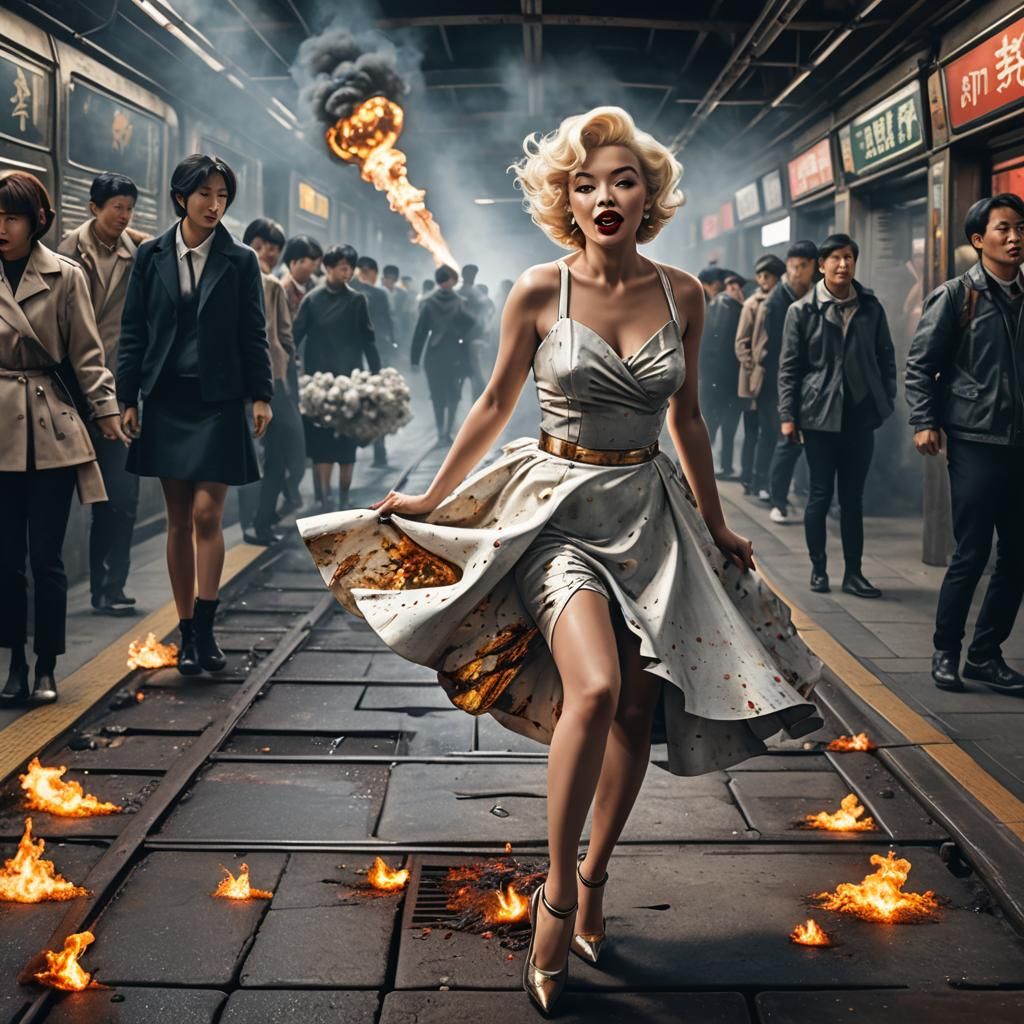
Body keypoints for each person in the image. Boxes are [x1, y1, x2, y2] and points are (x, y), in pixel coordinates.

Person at [298, 106, 820, 1014]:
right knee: (596, 688)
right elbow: (496, 401)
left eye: (622, 180)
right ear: (564, 200)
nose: (604, 195)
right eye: (585, 184)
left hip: (651, 515)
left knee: (639, 706)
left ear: (647, 195)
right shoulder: (540, 290)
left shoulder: (685, 294)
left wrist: (717, 522)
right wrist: (427, 497)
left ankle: (598, 873)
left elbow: (689, 419)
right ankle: (559, 890)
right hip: (556, 515)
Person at [118, 154, 273, 677]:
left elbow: (254, 333)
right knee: (177, 518)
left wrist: (261, 394)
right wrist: (126, 397)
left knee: (209, 515)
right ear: (182, 197)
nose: (215, 205)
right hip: (165, 398)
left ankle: (206, 627)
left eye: (223, 195)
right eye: (205, 194)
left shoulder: (241, 259)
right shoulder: (151, 254)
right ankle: (186, 633)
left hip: (220, 402)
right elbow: (133, 330)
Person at [0, 170, 128, 706]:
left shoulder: (65, 276)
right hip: (0, 426)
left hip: (49, 428)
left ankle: (47, 662)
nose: (1, 227)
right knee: (6, 559)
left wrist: (107, 413)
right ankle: (14, 663)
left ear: (37, 222)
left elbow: (88, 356)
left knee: (46, 556)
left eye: (11, 217)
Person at [906, 194, 1024, 694]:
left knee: (1018, 554)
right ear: (979, 240)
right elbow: (919, 365)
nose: (1015, 237)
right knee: (971, 552)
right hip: (975, 438)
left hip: (1020, 443)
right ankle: (946, 651)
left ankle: (985, 655)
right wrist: (924, 420)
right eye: (1003, 229)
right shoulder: (958, 295)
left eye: (1020, 228)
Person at [778, 233, 896, 598]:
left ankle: (854, 573)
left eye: (849, 258)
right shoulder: (802, 310)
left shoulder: (871, 307)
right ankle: (818, 570)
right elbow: (789, 368)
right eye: (835, 258)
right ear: (821, 265)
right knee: (818, 494)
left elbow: (886, 357)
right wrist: (788, 415)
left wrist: (885, 399)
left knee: (852, 499)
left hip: (859, 417)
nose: (843, 264)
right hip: (817, 416)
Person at [57, 171, 149, 617]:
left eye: (129, 208)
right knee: (60, 500)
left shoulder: (140, 253)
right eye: (116, 206)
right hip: (68, 393)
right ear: (94, 207)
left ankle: (110, 586)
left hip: (117, 390)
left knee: (122, 497)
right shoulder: (65, 253)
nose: (124, 215)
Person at [293, 244, 380, 511]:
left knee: (346, 444)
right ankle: (323, 498)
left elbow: (368, 339)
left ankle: (343, 497)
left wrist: (377, 376)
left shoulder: (357, 300)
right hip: (318, 385)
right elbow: (295, 337)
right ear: (328, 268)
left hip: (350, 383)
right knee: (321, 445)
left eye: (350, 268)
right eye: (343, 267)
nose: (348, 272)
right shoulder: (312, 300)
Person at [241, 218, 303, 546]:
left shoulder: (273, 287)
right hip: (238, 385)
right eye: (262, 247)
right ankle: (253, 525)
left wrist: (288, 382)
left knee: (281, 450)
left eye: (275, 251)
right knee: (249, 457)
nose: (268, 255)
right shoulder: (228, 279)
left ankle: (264, 519)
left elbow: (285, 337)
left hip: (272, 382)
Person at [751, 241, 817, 503]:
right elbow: (774, 346)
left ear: (814, 267)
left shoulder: (816, 297)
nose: (797, 272)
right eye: (793, 266)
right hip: (778, 380)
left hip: (807, 380)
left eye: (803, 266)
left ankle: (786, 487)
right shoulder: (777, 301)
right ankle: (770, 490)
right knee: (778, 435)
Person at [409, 264, 477, 446]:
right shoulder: (460, 302)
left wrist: (414, 359)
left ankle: (441, 432)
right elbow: (472, 323)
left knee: (437, 394)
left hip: (434, 354)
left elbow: (420, 332)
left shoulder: (428, 303)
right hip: (455, 354)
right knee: (454, 394)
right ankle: (447, 431)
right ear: (453, 280)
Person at [279, 234, 323, 507]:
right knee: (292, 438)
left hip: (312, 371)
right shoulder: (282, 289)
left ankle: (300, 486)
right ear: (294, 261)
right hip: (288, 372)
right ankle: (290, 487)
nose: (314, 268)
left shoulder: (314, 287)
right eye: (310, 262)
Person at [734, 254, 784, 494]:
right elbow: (741, 342)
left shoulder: (782, 301)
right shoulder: (751, 304)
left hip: (771, 377)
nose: (765, 280)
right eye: (761, 276)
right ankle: (749, 478)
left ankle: (759, 480)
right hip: (753, 378)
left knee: (768, 431)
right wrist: (751, 368)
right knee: (753, 430)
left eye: (769, 276)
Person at [700, 271, 745, 477]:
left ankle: (696, 468)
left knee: (710, 425)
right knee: (720, 426)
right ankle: (719, 467)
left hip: (713, 380)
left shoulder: (713, 306)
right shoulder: (726, 307)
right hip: (725, 380)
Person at [352, 256, 395, 469]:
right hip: (374, 353)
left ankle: (365, 451)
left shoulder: (348, 289)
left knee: (355, 401)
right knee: (376, 402)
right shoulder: (378, 294)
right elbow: (388, 324)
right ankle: (379, 451)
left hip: (357, 354)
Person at [457, 263, 488, 399]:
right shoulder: (459, 293)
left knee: (477, 377)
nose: (472, 277)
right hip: (460, 338)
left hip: (474, 338)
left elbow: (484, 316)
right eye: (470, 274)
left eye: (474, 274)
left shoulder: (477, 293)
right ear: (464, 275)